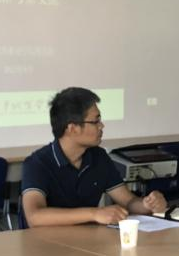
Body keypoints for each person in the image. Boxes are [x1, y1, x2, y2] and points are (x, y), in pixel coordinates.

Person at [20, 87, 167, 227]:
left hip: (88, 240)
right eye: (95, 121)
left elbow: (128, 201)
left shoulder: (98, 157)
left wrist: (147, 204)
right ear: (72, 128)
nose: (101, 126)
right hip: (45, 242)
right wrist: (94, 214)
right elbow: (34, 216)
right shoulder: (37, 164)